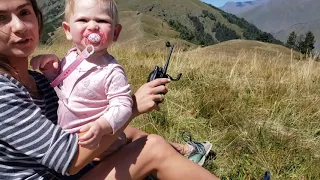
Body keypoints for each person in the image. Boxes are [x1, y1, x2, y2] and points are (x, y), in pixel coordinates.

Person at [0, 0, 220, 179]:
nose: (19, 26)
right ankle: (175, 159)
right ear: (68, 29)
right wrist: (132, 107)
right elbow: (70, 161)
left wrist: (52, 74)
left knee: (128, 133)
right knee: (153, 148)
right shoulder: (3, 91)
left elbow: (65, 103)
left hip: (58, 168)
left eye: (25, 12)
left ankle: (186, 152)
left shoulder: (36, 80)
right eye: (1, 18)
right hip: (61, 171)